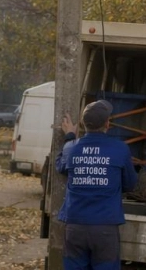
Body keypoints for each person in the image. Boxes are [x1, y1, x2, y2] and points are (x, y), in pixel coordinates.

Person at [56, 100, 139, 270]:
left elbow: (60, 166)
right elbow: (131, 184)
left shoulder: (70, 148)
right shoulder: (120, 149)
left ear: (83, 124)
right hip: (105, 229)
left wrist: (70, 136)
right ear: (108, 124)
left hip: (75, 227)